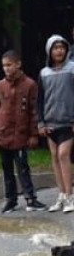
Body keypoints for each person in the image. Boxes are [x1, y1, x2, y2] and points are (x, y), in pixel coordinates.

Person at [0, 50, 45, 213]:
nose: (6, 69)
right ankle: (10, 199)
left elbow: (34, 111)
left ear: (18, 64)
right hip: (1, 133)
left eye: (9, 65)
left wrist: (34, 134)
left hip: (20, 134)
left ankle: (30, 198)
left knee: (22, 167)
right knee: (6, 168)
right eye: (4, 66)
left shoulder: (30, 85)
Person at [36, 35, 74, 212]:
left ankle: (69, 195)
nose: (59, 51)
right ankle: (61, 194)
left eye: (62, 47)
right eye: (55, 48)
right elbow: (40, 99)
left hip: (68, 121)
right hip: (50, 122)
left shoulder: (72, 69)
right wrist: (40, 123)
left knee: (63, 155)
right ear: (49, 51)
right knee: (55, 158)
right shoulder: (44, 73)